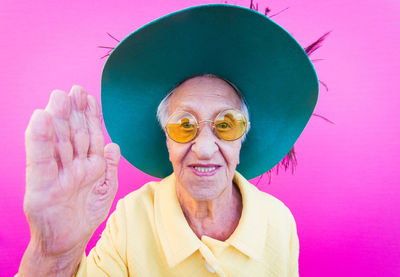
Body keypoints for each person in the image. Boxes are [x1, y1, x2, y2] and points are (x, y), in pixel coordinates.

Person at [17, 4, 319, 277]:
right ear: (167, 140)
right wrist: (52, 255)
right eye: (184, 125)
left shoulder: (278, 222)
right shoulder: (131, 217)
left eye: (226, 125)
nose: (203, 149)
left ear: (243, 138)